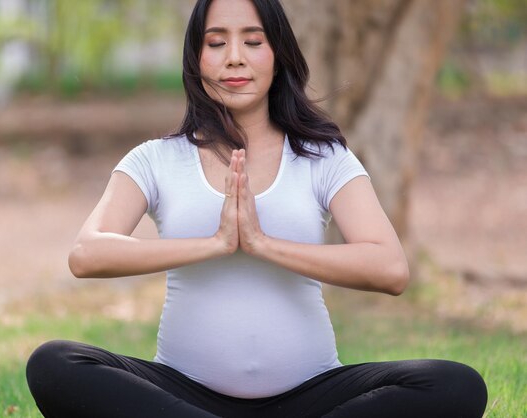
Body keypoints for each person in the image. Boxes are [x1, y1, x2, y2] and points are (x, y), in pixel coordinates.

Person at [25, 0, 488, 416]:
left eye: (253, 41)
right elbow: (87, 254)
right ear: (196, 58)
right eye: (216, 42)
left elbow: (390, 268)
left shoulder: (322, 157)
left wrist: (263, 244)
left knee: (453, 384)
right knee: (54, 364)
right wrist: (215, 243)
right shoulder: (157, 159)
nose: (234, 58)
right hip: (183, 396)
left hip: (312, 396)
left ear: (277, 55)